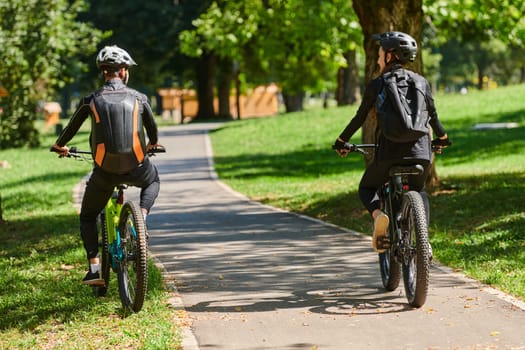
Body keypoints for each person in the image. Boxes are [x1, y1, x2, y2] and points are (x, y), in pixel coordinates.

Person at [52, 45, 162, 285]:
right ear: (123, 72)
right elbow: (152, 131)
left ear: (103, 72)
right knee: (153, 180)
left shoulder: (91, 100)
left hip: (105, 173)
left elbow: (71, 128)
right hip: (138, 167)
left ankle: (94, 269)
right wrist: (153, 144)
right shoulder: (140, 98)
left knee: (88, 216)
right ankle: (141, 216)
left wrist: (60, 145)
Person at [333, 31, 450, 253]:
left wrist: (342, 142)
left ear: (390, 56)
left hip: (389, 154)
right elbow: (433, 116)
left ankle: (379, 216)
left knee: (367, 188)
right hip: (421, 153)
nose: (378, 59)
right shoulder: (422, 82)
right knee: (419, 189)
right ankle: (423, 241)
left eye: (380, 54)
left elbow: (359, 118)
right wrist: (442, 139)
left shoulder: (377, 84)